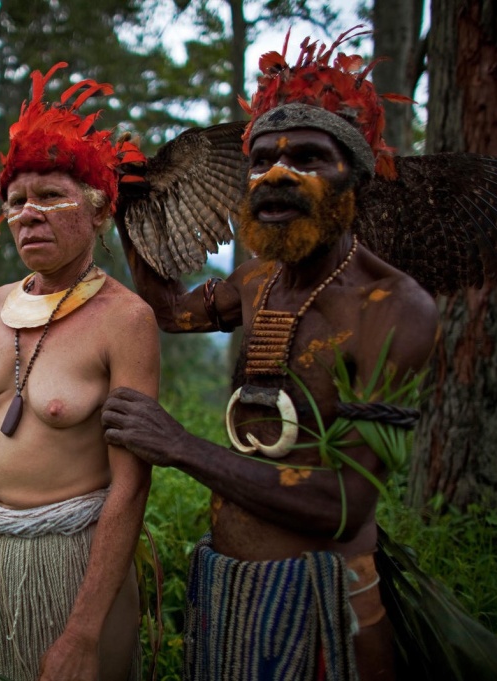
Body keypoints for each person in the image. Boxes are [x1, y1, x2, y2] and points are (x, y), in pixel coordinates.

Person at [102, 32, 439, 681]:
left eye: (309, 157)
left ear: (356, 177)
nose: (276, 175)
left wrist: (181, 444)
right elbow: (171, 313)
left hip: (328, 611)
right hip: (229, 597)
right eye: (259, 162)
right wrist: (132, 209)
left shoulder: (393, 307)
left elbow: (344, 503)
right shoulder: (258, 281)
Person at [0, 63, 160, 681]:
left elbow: (130, 487)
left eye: (51, 195)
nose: (29, 214)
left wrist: (82, 632)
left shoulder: (125, 320)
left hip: (72, 569)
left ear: (99, 210)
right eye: (17, 201)